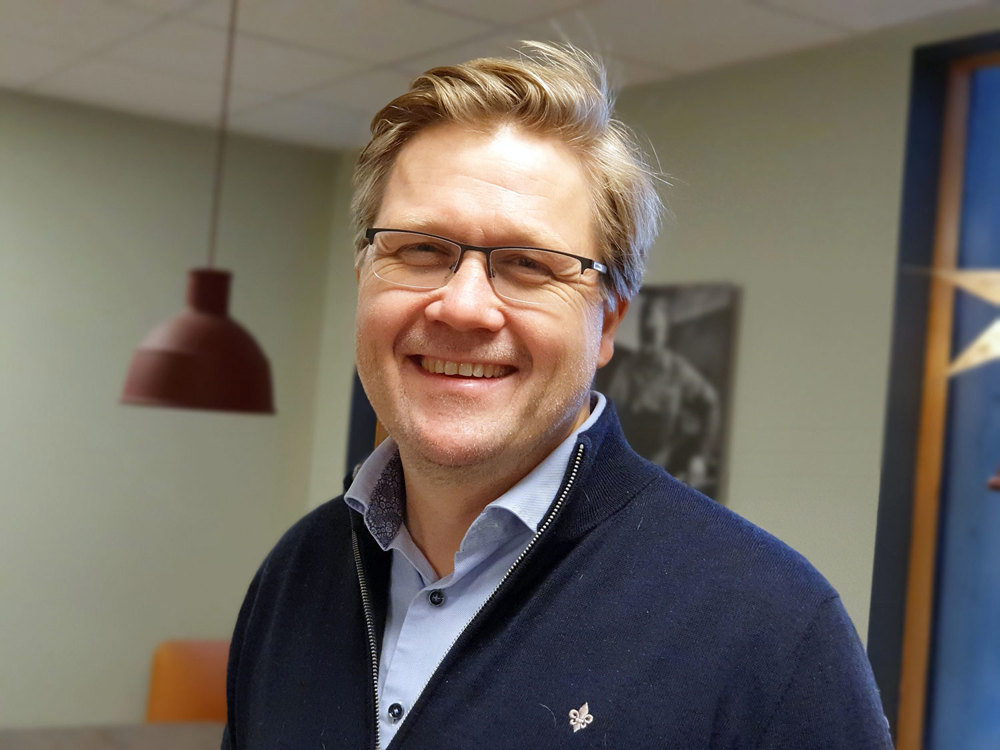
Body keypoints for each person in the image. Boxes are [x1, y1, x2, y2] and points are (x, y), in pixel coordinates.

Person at [222, 43, 892, 749]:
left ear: (606, 321)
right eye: (420, 249)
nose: (464, 308)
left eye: (527, 265)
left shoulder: (769, 629)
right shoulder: (296, 573)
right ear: (364, 279)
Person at [606, 293, 721, 491]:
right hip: (628, 468)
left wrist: (701, 456)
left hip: (666, 472)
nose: (649, 337)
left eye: (654, 332)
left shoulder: (678, 369)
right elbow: (609, 409)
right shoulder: (628, 367)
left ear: (665, 332)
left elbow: (711, 404)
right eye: (645, 331)